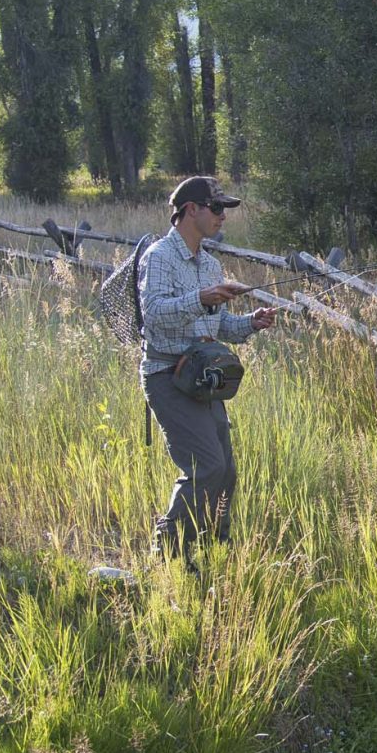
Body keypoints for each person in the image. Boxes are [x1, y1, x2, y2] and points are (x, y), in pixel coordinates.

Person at [138, 175, 277, 564]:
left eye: (224, 210)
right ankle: (168, 551)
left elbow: (219, 327)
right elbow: (154, 315)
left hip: (204, 380)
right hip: (167, 377)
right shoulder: (160, 257)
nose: (222, 217)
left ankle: (217, 548)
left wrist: (251, 321)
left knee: (226, 472)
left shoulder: (212, 264)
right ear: (190, 210)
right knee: (206, 467)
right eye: (216, 209)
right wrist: (200, 298)